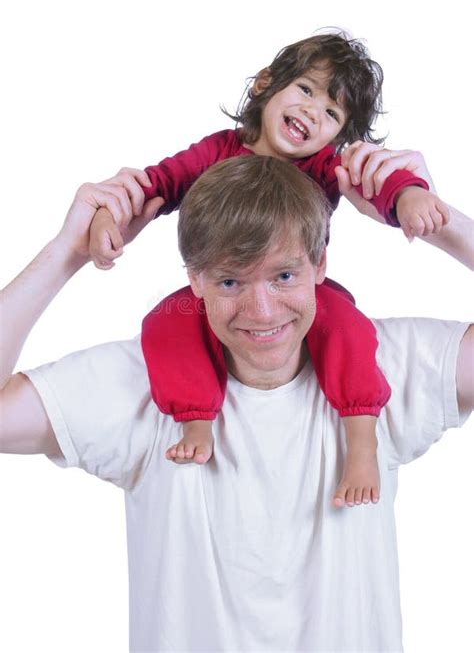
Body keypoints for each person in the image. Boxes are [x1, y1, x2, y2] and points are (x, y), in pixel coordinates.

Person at [1, 153, 472, 652]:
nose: (262, 310)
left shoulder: (386, 363)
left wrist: (435, 218)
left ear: (320, 264)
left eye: (284, 276)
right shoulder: (138, 383)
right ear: (195, 280)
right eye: (231, 281)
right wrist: (66, 253)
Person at [86, 31, 450, 508]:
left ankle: (362, 440)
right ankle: (197, 418)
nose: (313, 112)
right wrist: (107, 219)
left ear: (338, 135)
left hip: (297, 291)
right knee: (163, 322)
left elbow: (379, 178)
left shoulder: (323, 165)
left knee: (348, 329)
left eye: (332, 114)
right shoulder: (219, 151)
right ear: (264, 85)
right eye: (305, 90)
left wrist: (409, 193)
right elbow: (159, 182)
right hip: (223, 290)